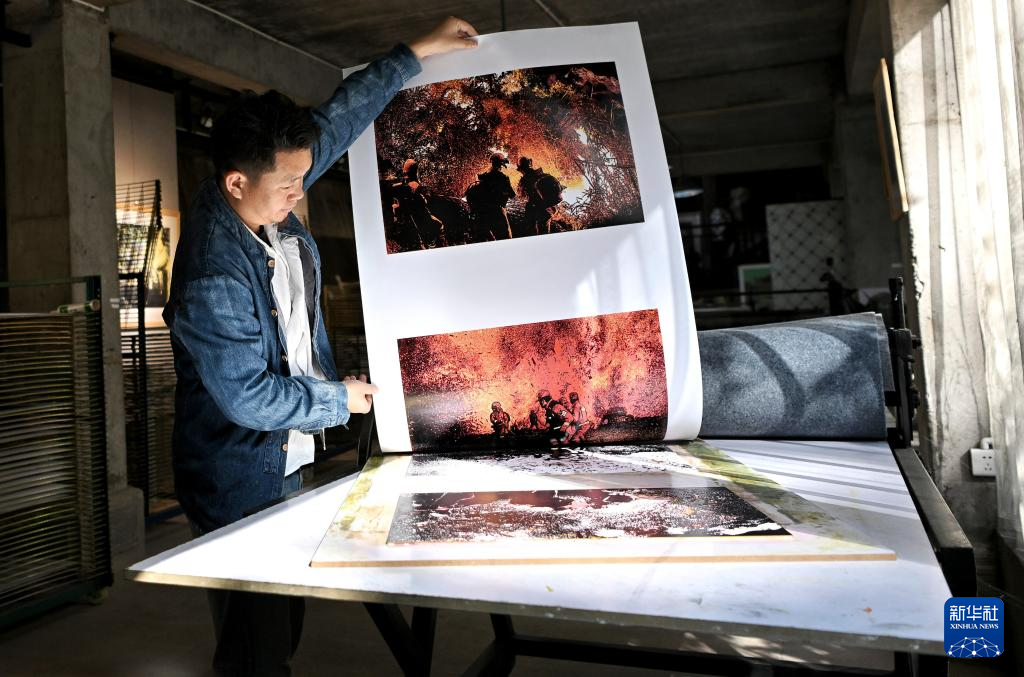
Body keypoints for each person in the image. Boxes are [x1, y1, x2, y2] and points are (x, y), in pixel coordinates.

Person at [162, 17, 478, 676]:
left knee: (282, 626)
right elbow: (248, 397)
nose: (299, 192)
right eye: (288, 185)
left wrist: (419, 49)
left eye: (302, 178)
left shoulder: (268, 189)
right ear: (236, 183)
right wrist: (338, 399)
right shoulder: (214, 273)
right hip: (240, 476)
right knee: (257, 647)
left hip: (287, 455)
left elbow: (340, 118)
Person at [392, 158, 447, 248]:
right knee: (439, 225)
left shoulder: (400, 187)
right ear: (416, 172)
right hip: (419, 218)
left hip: (410, 218)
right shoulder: (415, 186)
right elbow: (425, 201)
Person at [466, 152, 515, 240]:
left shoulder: (483, 176)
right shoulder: (503, 177)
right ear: (501, 165)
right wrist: (503, 193)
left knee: (485, 240)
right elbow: (512, 195)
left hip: (481, 214)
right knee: (505, 238)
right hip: (496, 212)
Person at [516, 156, 563, 235]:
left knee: (533, 232)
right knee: (544, 232)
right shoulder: (542, 174)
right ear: (530, 164)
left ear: (521, 169)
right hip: (547, 208)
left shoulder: (524, 180)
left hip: (534, 209)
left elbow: (521, 195)